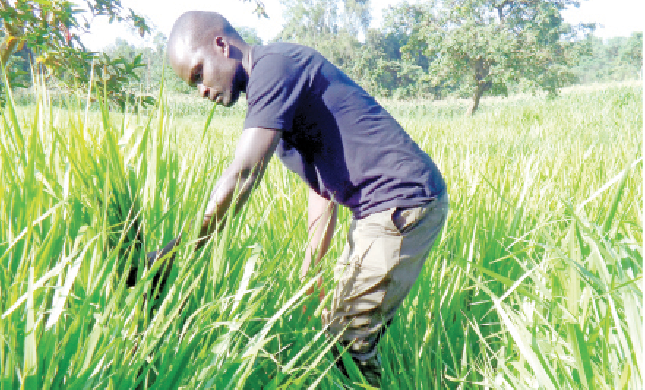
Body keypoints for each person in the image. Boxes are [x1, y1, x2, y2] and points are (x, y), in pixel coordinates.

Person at [162, 10, 449, 386]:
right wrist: (310, 269)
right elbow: (321, 189)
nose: (201, 90)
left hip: (400, 201)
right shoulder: (272, 94)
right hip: (378, 209)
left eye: (199, 73)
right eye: (192, 84)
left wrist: (179, 250)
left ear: (221, 44)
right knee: (336, 331)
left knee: (348, 342)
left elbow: (243, 172)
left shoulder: (274, 67)